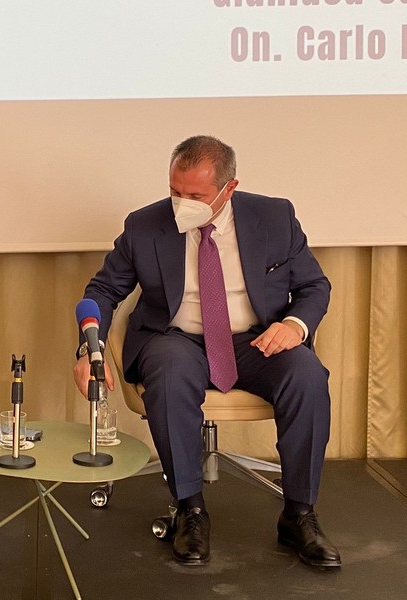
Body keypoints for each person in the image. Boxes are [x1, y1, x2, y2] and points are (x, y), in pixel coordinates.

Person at [73, 135, 340, 568]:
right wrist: (90, 348)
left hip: (255, 339)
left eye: (195, 196)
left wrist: (294, 325)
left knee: (307, 375)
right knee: (170, 371)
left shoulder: (275, 217)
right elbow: (103, 290)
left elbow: (314, 286)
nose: (182, 203)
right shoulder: (144, 225)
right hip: (176, 337)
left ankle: (299, 514)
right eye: (175, 191)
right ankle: (190, 510)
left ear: (228, 189)